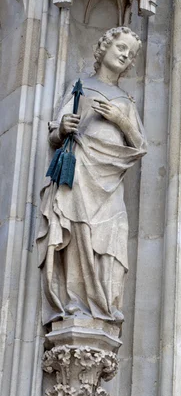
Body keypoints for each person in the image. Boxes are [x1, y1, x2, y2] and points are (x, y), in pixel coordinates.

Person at [37, 26, 147, 325]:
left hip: (111, 179)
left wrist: (121, 119)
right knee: (78, 231)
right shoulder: (80, 86)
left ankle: (105, 306)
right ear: (104, 48)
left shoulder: (126, 99)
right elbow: (56, 130)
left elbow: (140, 145)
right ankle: (76, 302)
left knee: (110, 236)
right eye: (120, 48)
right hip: (81, 168)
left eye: (131, 54)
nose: (125, 55)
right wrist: (64, 128)